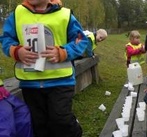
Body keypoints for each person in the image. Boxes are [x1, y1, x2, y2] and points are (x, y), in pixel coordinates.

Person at [0, 0, 87, 136]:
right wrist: (17, 51)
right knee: (38, 124)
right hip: (30, 83)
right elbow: (6, 39)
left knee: (60, 120)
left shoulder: (65, 15)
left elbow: (81, 40)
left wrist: (63, 52)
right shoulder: (18, 13)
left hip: (61, 81)